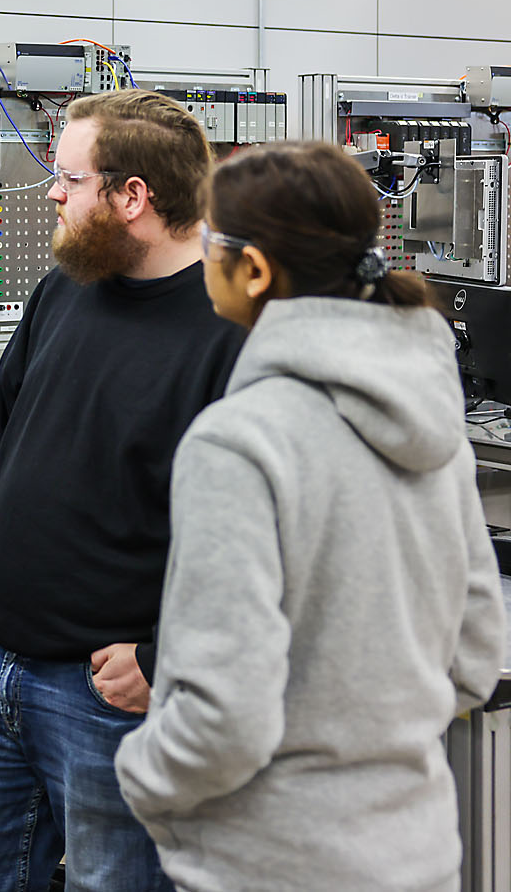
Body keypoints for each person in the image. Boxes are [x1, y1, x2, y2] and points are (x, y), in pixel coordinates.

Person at [114, 142, 506, 892]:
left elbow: (224, 714)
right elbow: (476, 652)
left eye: (209, 240)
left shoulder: (241, 441)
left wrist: (144, 778)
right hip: (415, 850)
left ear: (254, 270)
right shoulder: (434, 421)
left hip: (272, 858)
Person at [0, 89, 245, 892]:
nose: (53, 194)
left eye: (66, 178)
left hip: (111, 698)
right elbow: (1, 435)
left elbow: (272, 542)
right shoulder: (67, 285)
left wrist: (165, 658)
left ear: (132, 196)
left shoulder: (238, 330)